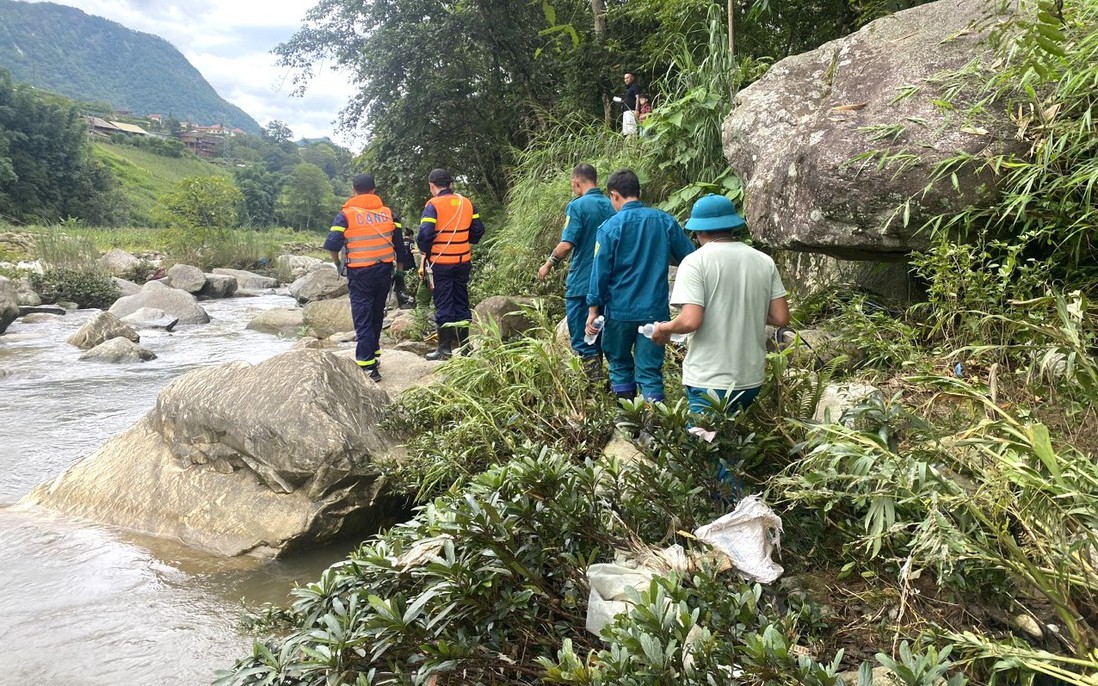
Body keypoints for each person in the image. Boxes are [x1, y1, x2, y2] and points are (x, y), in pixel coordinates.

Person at [650, 194, 790, 416]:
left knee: (703, 447)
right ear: (732, 226)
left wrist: (662, 329)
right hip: (750, 379)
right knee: (733, 444)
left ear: (698, 231)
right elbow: (781, 317)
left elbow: (690, 320)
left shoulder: (696, 262)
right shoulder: (764, 261)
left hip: (710, 380)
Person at [585, 169, 695, 403]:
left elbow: (599, 272)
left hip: (619, 312)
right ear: (638, 192)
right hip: (654, 312)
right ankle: (653, 431)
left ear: (614, 195)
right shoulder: (664, 221)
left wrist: (593, 310)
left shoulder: (609, 228)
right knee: (649, 371)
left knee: (619, 364)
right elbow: (691, 259)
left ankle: (628, 426)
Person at [324, 173, 415, 382]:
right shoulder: (389, 214)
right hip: (383, 272)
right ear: (374, 191)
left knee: (362, 316)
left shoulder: (346, 214)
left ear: (354, 190)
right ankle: (373, 355)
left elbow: (332, 244)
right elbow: (400, 250)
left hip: (360, 273)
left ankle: (367, 366)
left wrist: (338, 264)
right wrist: (400, 275)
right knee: (376, 314)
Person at [537, 163, 616, 376]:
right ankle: (611, 389)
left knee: (584, 339)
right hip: (611, 282)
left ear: (576, 182)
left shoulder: (578, 206)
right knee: (603, 335)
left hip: (583, 283)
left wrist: (549, 263)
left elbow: (567, 244)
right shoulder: (612, 204)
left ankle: (594, 387)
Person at [418, 168, 485, 360]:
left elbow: (425, 234)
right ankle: (465, 347)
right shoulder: (467, 203)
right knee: (462, 301)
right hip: (463, 261)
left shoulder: (433, 205)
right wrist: (463, 240)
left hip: (441, 262)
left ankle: (445, 349)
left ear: (432, 186)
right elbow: (478, 230)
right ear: (450, 184)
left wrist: (426, 250)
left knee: (444, 303)